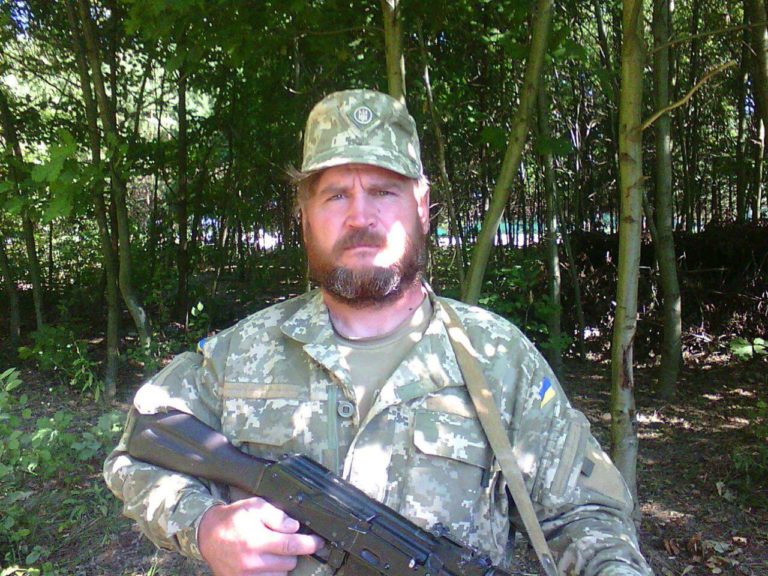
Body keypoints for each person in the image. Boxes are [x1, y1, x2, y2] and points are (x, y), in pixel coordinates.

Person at [104, 89, 654, 576]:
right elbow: (139, 446)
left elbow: (586, 514)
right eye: (335, 194)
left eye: (384, 192)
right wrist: (204, 528)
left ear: (422, 207)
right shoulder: (241, 353)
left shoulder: (498, 358)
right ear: (304, 214)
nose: (360, 216)